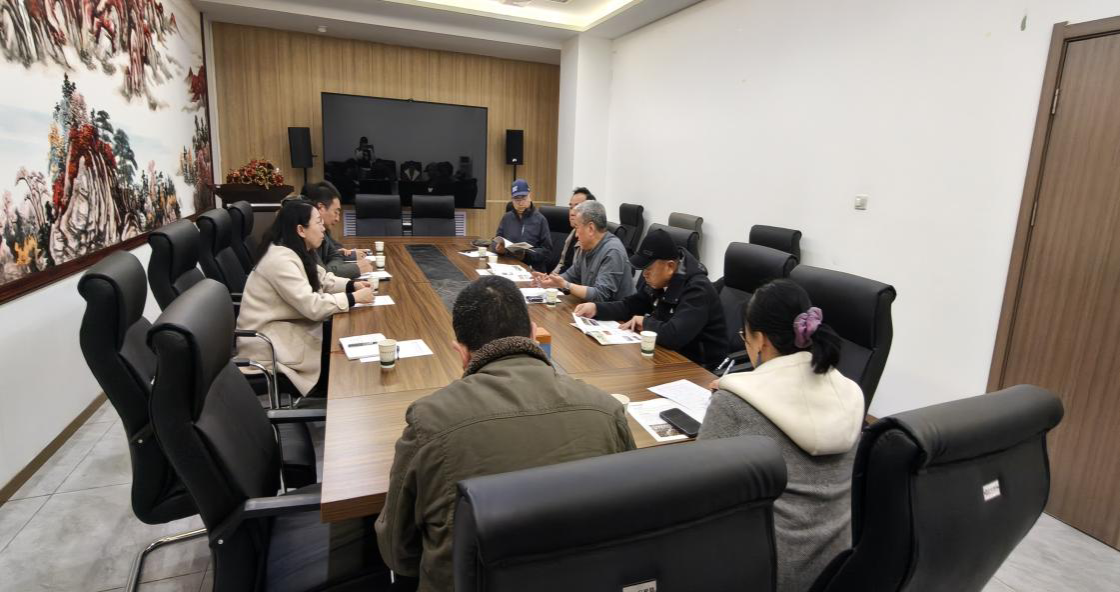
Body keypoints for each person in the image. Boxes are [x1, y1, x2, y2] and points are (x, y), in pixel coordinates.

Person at [375, 275, 635, 590]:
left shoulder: (428, 421)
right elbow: (631, 525)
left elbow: (397, 553)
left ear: (461, 354)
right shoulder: (607, 410)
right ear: (533, 335)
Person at [698, 279, 863, 592]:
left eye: (745, 336)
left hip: (763, 574)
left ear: (760, 340)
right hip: (838, 571)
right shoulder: (850, 394)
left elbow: (696, 492)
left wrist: (727, 398)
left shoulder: (734, 401)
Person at [236, 199, 375, 397]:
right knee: (346, 367)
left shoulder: (295, 251)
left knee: (348, 344)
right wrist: (353, 298)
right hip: (272, 348)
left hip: (291, 331)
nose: (323, 229)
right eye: (318, 223)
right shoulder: (280, 260)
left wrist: (351, 285)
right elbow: (313, 307)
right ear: (301, 230)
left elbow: (323, 279)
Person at [574, 228, 728, 368]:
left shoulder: (697, 290)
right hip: (667, 355)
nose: (644, 274)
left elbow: (674, 335)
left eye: (648, 269)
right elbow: (631, 306)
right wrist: (596, 308)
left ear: (670, 266)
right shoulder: (659, 281)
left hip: (698, 366)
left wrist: (645, 322)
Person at [533, 200, 634, 302]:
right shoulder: (586, 247)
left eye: (577, 227)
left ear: (590, 228)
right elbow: (571, 275)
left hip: (618, 312)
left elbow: (601, 295)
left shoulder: (613, 251)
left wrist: (565, 285)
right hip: (592, 308)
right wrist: (551, 281)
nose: (576, 235)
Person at [302, 181, 373, 279]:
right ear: (321, 208)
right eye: (335, 212)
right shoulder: (306, 234)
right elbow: (323, 274)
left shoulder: (323, 230)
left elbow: (335, 253)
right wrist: (356, 268)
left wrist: (342, 257)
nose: (338, 219)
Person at [493, 178, 552, 272]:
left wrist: (526, 255)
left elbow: (547, 252)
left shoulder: (540, 220)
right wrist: (498, 248)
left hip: (531, 270)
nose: (520, 203)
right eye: (516, 199)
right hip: (509, 266)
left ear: (530, 196)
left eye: (523, 198)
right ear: (512, 200)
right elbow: (496, 240)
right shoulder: (507, 218)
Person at [551, 187, 595, 275]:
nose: (572, 213)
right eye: (571, 207)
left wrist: (560, 281)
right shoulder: (573, 233)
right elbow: (562, 263)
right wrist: (551, 278)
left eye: (577, 207)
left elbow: (579, 275)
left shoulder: (591, 239)